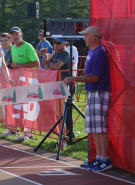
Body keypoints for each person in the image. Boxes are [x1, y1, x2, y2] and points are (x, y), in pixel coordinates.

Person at [63, 26, 112, 172]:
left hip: (100, 92)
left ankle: (104, 159)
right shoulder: (92, 51)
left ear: (94, 36)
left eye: (86, 35)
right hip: (92, 92)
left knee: (100, 128)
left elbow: (94, 77)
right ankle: (98, 158)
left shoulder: (99, 52)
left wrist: (74, 78)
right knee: (95, 129)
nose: (83, 38)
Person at [9, 27, 40, 140]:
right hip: (18, 82)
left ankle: (29, 133)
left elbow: (36, 62)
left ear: (21, 35)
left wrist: (21, 66)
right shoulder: (13, 48)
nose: (15, 37)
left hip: (29, 81)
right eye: (12, 35)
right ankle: (19, 130)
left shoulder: (28, 46)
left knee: (27, 105)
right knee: (18, 105)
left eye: (16, 34)